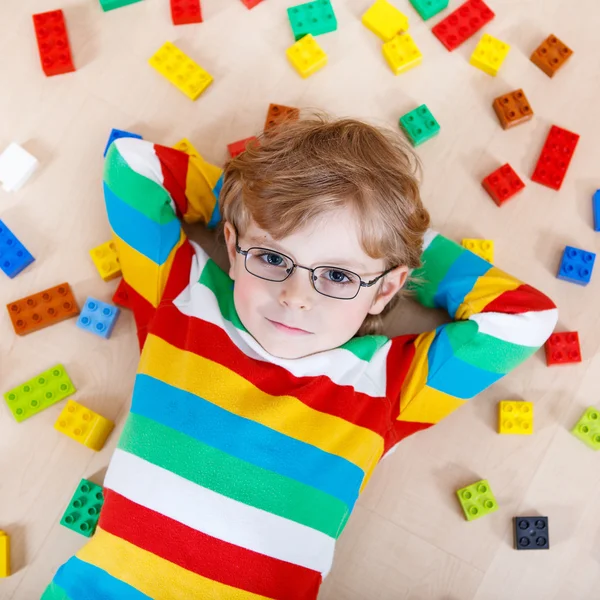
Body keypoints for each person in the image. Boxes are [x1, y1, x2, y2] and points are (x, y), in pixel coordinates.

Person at [42, 114, 558, 600]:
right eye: (271, 257)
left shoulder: (387, 385)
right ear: (232, 242)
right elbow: (133, 166)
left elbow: (523, 318)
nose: (295, 296)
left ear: (385, 291)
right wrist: (254, 200)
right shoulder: (184, 297)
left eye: (338, 274)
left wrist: (397, 236)